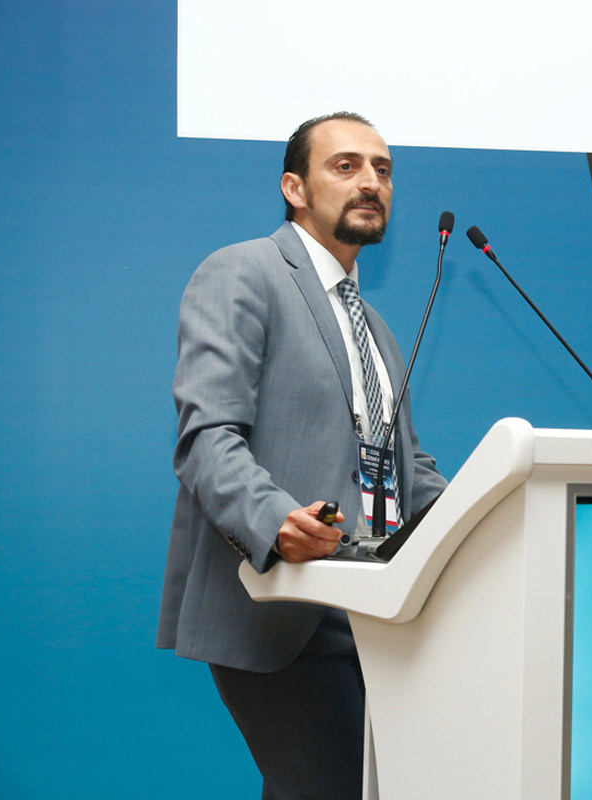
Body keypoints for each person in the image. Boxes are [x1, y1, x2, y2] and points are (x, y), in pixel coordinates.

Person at [157, 111, 447, 798]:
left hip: (374, 611)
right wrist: (275, 522)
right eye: (345, 166)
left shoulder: (374, 327)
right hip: (285, 607)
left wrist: (487, 520)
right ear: (294, 188)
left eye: (382, 169)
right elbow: (207, 437)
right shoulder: (243, 272)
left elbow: (407, 468)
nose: (370, 181)